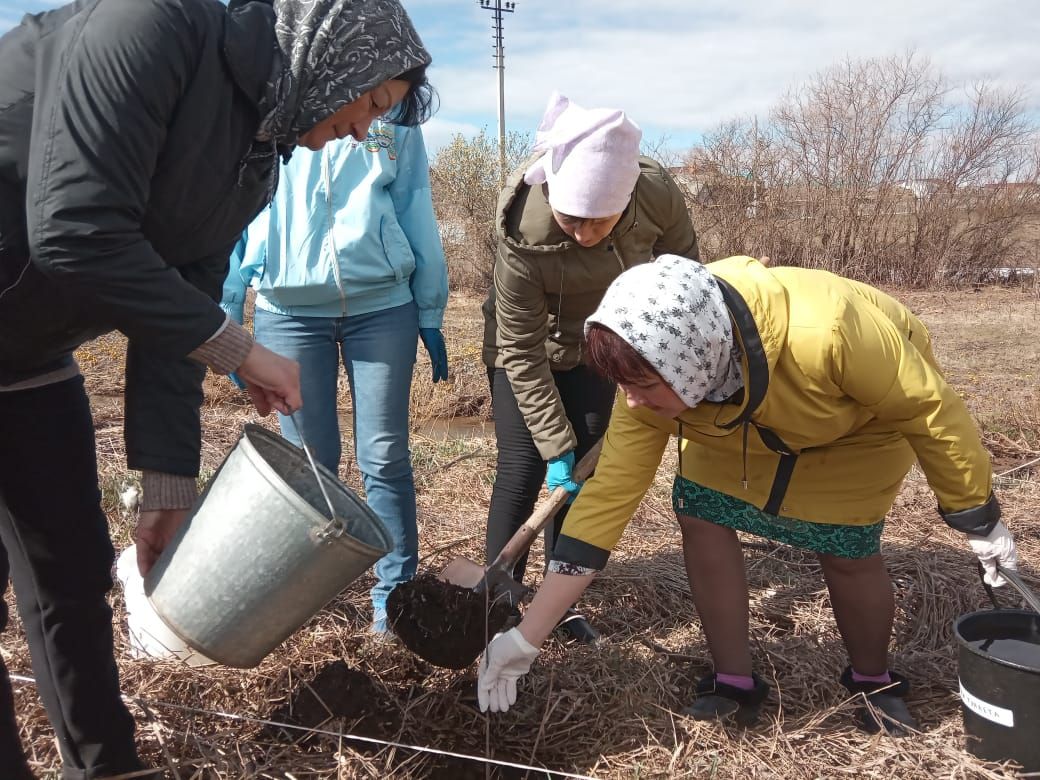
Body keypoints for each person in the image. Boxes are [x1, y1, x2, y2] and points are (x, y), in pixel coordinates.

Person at [0, 0, 434, 774]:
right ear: (331, 53)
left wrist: (169, 482)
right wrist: (239, 347)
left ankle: (109, 766)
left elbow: (181, 296)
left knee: (71, 573)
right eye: (371, 103)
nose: (366, 131)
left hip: (28, 356)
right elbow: (74, 227)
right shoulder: (147, 25)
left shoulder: (257, 151)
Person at [476, 255, 1018, 735]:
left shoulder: (827, 331)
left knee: (847, 546)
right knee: (703, 516)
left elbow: (928, 410)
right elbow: (606, 500)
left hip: (855, 428)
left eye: (641, 384)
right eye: (622, 384)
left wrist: (976, 514)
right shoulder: (655, 384)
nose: (631, 402)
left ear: (691, 363)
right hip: (725, 422)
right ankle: (733, 680)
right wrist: (527, 637)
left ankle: (873, 681)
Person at [481, 92, 699, 643]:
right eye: (572, 219)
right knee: (525, 467)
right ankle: (497, 599)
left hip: (603, 344)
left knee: (583, 474)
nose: (583, 234)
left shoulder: (654, 194)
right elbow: (522, 351)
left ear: (624, 202)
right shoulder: (522, 232)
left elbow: (682, 273)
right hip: (525, 349)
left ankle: (558, 606)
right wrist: (555, 448)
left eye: (599, 222)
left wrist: (662, 349)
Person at [222, 118, 448, 636]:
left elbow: (416, 205)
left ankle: (393, 601)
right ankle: (308, 592)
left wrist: (430, 308)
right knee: (309, 463)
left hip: (384, 307)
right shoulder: (275, 111)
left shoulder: (393, 120)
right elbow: (237, 213)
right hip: (288, 309)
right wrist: (229, 307)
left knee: (385, 454)